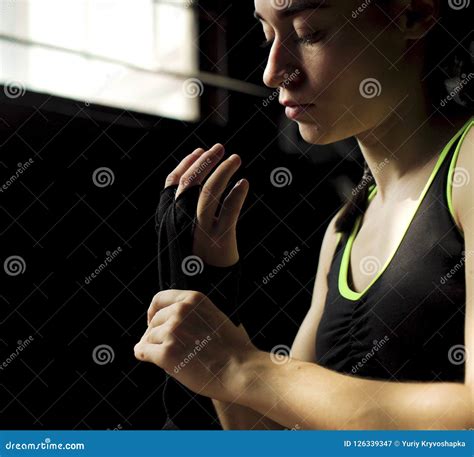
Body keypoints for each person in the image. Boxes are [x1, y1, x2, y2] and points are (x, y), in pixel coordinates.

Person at [134, 0, 474, 429]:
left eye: (309, 32)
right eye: (267, 36)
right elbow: (281, 441)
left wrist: (243, 367)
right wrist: (208, 288)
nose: (273, 72)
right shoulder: (344, 230)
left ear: (412, 14)